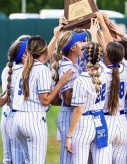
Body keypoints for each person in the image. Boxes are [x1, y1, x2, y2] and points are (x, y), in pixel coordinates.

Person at [12, 35, 73, 164]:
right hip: (33, 120)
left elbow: (45, 57)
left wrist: (57, 34)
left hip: (17, 120)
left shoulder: (24, 68)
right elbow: (45, 100)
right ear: (43, 50)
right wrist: (60, 83)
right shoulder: (42, 70)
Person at [65, 42, 109, 164]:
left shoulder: (81, 80)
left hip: (84, 123)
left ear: (85, 57)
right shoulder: (104, 76)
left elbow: (78, 110)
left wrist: (69, 136)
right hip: (100, 121)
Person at [51, 30, 87, 164]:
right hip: (68, 114)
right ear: (72, 47)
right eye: (79, 41)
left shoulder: (72, 62)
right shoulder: (67, 66)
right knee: (68, 159)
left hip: (70, 114)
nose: (82, 44)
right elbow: (67, 98)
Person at [93, 41, 127, 164]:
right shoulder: (125, 68)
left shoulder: (101, 71)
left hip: (105, 122)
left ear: (107, 55)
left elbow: (93, 55)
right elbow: (114, 55)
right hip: (122, 121)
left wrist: (95, 34)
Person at [1, 35, 30, 164]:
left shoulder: (8, 68)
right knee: (24, 159)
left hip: (7, 116)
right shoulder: (28, 69)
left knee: (8, 159)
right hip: (17, 116)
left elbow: (5, 96)